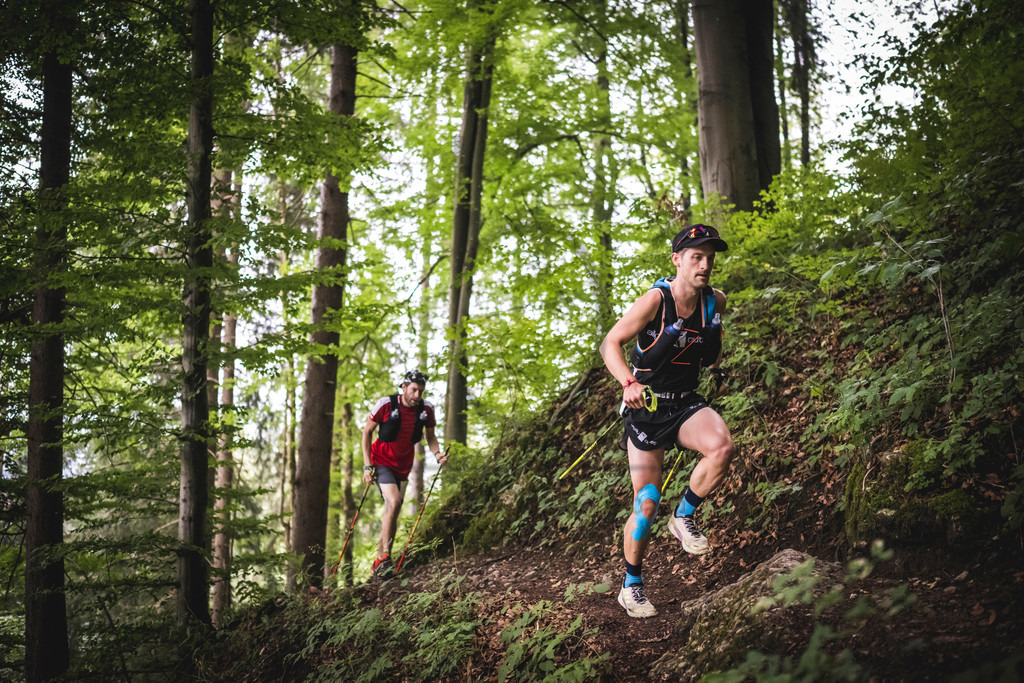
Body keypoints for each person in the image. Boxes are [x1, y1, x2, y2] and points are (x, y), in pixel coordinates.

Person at [598, 224, 735, 618]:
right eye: (696, 256)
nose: (705, 264)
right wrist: (627, 382)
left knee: (721, 447)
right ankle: (631, 585)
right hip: (648, 411)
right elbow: (610, 343)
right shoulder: (656, 300)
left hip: (685, 404)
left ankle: (685, 515)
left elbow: (711, 353)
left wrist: (716, 359)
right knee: (646, 504)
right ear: (677, 259)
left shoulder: (716, 302)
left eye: (710, 258)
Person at [361, 369, 447, 578]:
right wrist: (367, 465)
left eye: (421, 391)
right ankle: (386, 560)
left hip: (403, 467)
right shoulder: (386, 404)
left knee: (394, 510)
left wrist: (438, 454)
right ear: (404, 387)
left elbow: (431, 436)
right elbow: (367, 432)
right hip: (381, 462)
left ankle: (379, 561)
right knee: (394, 502)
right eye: (414, 390)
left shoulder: (426, 409)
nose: (417, 395)